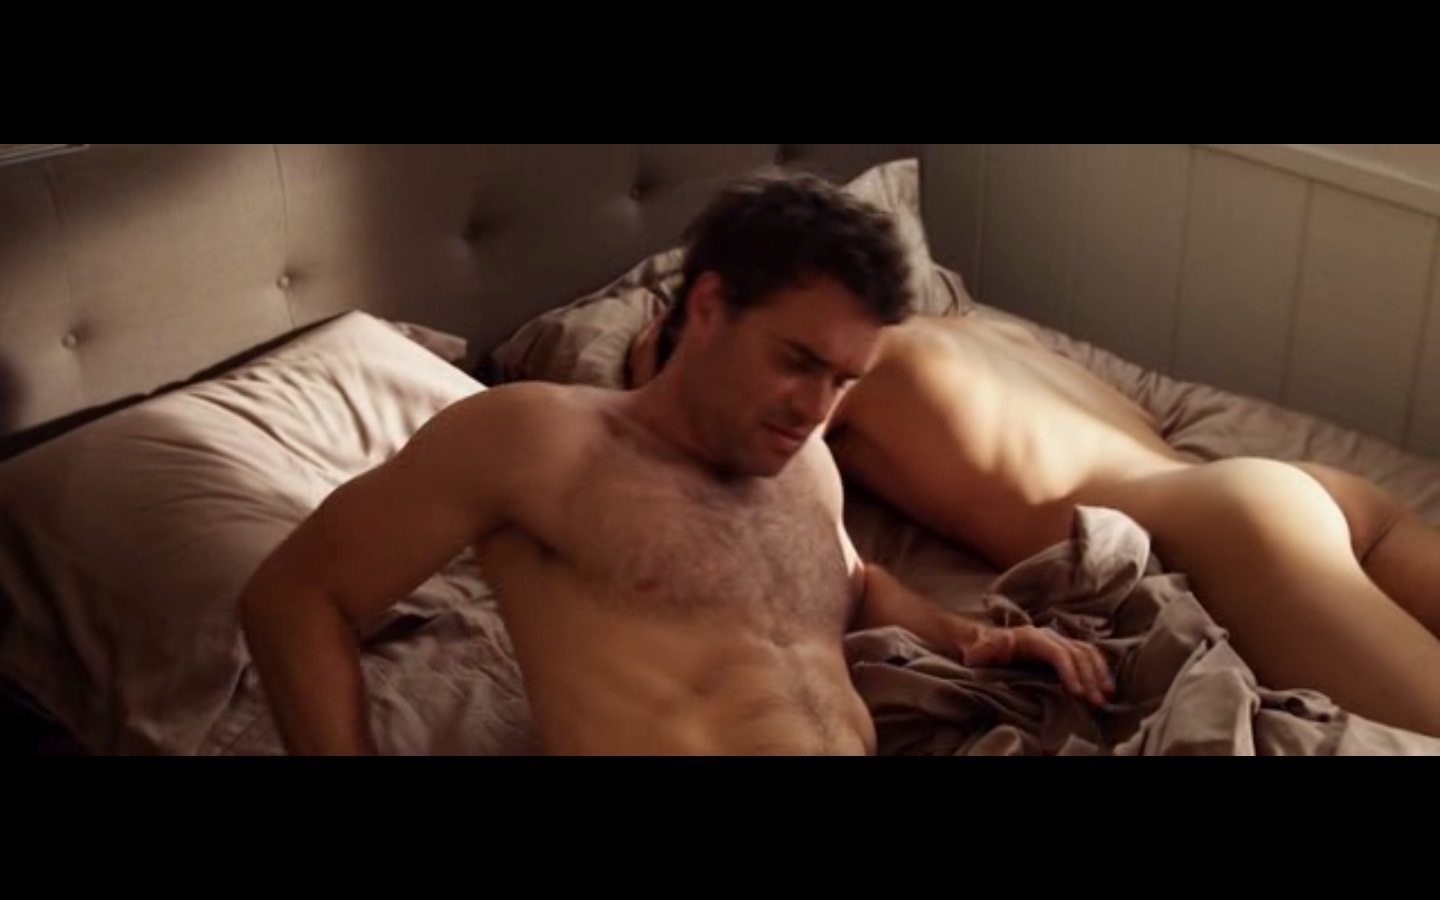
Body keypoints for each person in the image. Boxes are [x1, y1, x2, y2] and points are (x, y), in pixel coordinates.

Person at [237, 172, 1114, 757]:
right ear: (709, 306)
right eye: (798, 362)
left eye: (844, 380)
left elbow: (851, 585)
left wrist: (981, 639)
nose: (817, 407)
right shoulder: (538, 439)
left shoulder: (805, 463)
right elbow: (294, 597)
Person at [628, 271, 1440, 740]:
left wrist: (648, 371)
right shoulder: (980, 329)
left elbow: (708, 462)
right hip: (1288, 487)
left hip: (1231, 531)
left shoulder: (835, 378)